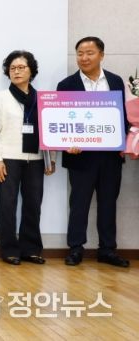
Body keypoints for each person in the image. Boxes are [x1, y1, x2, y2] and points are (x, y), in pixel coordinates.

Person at [57, 36, 130, 268]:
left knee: (108, 203)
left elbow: (123, 116)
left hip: (110, 156)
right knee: (78, 204)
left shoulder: (116, 81)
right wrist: (66, 142)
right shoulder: (66, 85)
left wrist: (124, 141)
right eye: (80, 53)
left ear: (101, 55)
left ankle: (107, 250)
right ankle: (75, 248)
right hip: (80, 156)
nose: (84, 58)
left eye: (89, 53)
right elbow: (60, 121)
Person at [0, 50, 56, 266]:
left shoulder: (42, 99)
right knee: (6, 205)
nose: (16, 71)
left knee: (33, 204)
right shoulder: (0, 98)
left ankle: (30, 249)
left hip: (36, 160)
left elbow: (51, 130)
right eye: (12, 68)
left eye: (21, 67)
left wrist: (50, 158)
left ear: (31, 71)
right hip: (8, 159)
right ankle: (9, 250)